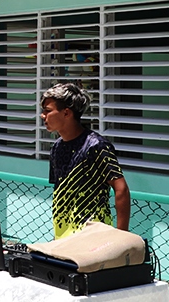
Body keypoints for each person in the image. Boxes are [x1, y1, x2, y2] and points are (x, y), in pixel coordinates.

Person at [41, 83, 130, 239]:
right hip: (63, 238)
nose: (43, 116)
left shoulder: (97, 146)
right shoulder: (56, 147)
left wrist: (121, 237)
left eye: (48, 111)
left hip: (93, 237)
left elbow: (121, 188)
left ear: (66, 113)